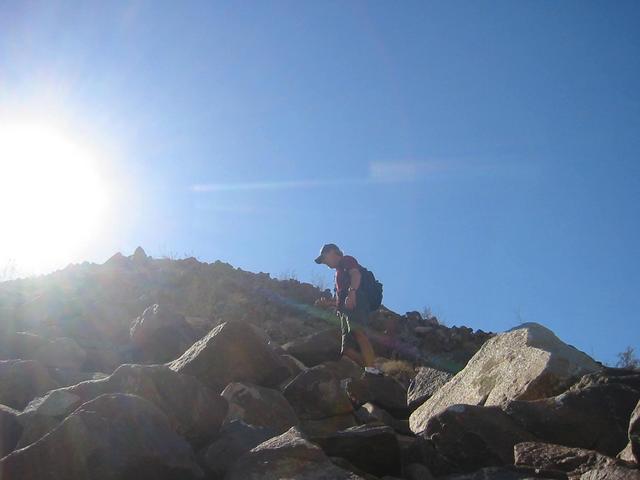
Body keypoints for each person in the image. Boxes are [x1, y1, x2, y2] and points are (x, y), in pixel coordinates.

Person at [314, 243, 382, 375]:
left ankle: (372, 370)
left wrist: (352, 293)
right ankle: (373, 369)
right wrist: (328, 304)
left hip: (356, 300)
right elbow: (340, 300)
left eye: (324, 258)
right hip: (345, 311)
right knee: (346, 350)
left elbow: (356, 275)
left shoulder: (346, 260)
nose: (324, 263)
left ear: (333, 252)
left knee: (359, 332)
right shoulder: (337, 274)